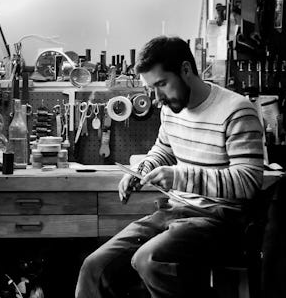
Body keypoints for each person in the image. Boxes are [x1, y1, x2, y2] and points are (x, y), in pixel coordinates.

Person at [75, 36, 264, 298]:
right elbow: (164, 149)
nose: (157, 97)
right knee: (95, 267)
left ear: (186, 70)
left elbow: (247, 182)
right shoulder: (171, 109)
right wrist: (142, 169)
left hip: (220, 221)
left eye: (162, 84)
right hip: (175, 212)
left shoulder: (237, 111)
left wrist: (178, 177)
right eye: (152, 88)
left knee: (149, 260)